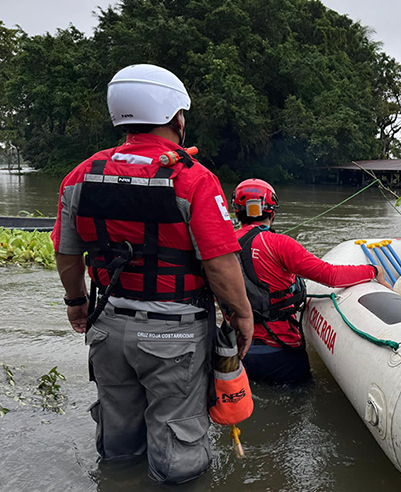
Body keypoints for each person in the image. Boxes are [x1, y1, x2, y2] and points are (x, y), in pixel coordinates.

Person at [52, 64, 254, 484]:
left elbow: (67, 254)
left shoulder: (81, 175)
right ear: (176, 116)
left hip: (106, 330)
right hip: (174, 335)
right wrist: (242, 315)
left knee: (118, 441)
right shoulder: (193, 179)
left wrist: (77, 304)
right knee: (179, 452)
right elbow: (219, 263)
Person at [229, 178, 392, 383]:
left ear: (236, 212)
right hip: (281, 352)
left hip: (236, 352)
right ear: (272, 212)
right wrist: (372, 270)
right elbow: (329, 275)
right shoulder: (279, 244)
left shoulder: (221, 248)